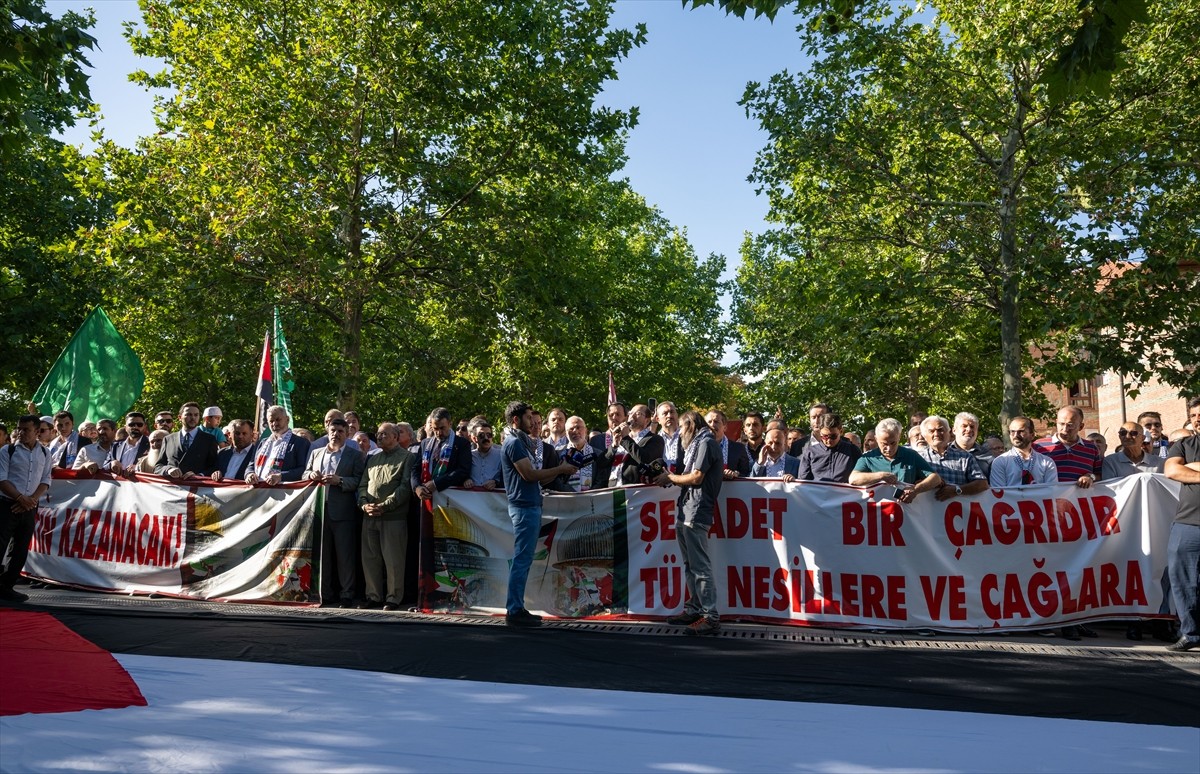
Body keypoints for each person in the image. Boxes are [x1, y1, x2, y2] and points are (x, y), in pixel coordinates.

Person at [499, 401, 575, 627]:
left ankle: (517, 608)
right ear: (516, 420)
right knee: (522, 559)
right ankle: (514, 610)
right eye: (529, 417)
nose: (533, 422)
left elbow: (538, 477)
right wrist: (560, 469)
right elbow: (529, 475)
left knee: (523, 559)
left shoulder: (520, 442)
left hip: (529, 504)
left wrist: (562, 470)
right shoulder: (514, 443)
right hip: (524, 507)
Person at [654, 410, 724, 636]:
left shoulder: (706, 443)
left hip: (697, 510)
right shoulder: (698, 443)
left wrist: (671, 478)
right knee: (690, 564)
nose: (680, 432)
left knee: (700, 565)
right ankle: (694, 608)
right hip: (687, 509)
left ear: (691, 425)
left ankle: (710, 616)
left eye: (683, 428)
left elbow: (696, 477)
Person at [305, 417, 365, 608]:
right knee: (323, 555)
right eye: (333, 431)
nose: (336, 434)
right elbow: (304, 474)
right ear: (327, 431)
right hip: (320, 511)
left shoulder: (355, 456)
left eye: (340, 431)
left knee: (345, 556)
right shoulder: (316, 453)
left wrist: (340, 481)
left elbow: (358, 481)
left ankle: (347, 594)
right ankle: (325, 593)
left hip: (343, 512)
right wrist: (311, 475)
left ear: (347, 434)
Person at [357, 423, 415, 611]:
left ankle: (393, 597)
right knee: (370, 558)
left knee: (393, 560)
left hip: (393, 517)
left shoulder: (407, 457)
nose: (379, 437)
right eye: (378, 434)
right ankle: (373, 596)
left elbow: (405, 487)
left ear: (396, 437)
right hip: (369, 517)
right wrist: (364, 504)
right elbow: (363, 485)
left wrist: (384, 506)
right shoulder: (373, 459)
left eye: (384, 434)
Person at [0, 416, 52, 602]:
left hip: (29, 507)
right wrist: (21, 498)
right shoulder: (9, 450)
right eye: (19, 429)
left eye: (26, 429)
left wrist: (31, 500)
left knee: (20, 550)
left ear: (37, 432)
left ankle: (6, 587)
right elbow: (2, 480)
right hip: (7, 505)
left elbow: (46, 480)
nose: (21, 433)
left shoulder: (45, 453)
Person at [1163, 396, 1200, 652]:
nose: (1199, 419)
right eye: (1195, 415)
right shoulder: (1184, 444)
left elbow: (1184, 471)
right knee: (1183, 580)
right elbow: (1173, 471)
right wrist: (1189, 466)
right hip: (1188, 523)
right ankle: (1191, 634)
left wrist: (1194, 469)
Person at [849, 418, 942, 503]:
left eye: (893, 443)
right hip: (878, 516)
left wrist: (916, 489)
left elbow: (936, 479)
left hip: (906, 515)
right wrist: (880, 476)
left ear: (899, 437)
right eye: (884, 444)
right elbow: (853, 479)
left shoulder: (911, 455)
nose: (889, 448)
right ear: (876, 439)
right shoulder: (868, 458)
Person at [917, 415, 988, 501]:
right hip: (926, 511)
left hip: (958, 512)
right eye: (931, 431)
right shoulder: (917, 457)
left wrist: (957, 490)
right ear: (924, 436)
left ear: (949, 432)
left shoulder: (965, 457)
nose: (936, 434)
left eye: (940, 430)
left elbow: (982, 484)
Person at [412, 407, 471, 505]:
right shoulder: (425, 443)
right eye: (435, 429)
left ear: (450, 424)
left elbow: (463, 470)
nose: (439, 433)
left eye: (442, 428)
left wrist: (436, 483)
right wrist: (417, 487)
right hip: (425, 497)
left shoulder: (461, 444)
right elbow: (415, 468)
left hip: (449, 500)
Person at [1033, 405, 1102, 488]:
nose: (1065, 429)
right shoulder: (1038, 446)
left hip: (1079, 499)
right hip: (1047, 499)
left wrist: (1091, 477)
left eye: (1070, 425)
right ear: (1056, 422)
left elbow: (1100, 475)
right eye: (1061, 424)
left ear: (1081, 426)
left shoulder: (1091, 448)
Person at [244, 405, 310, 484]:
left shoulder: (300, 442)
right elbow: (251, 465)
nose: (275, 423)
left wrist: (281, 476)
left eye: (278, 420)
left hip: (283, 492)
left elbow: (303, 469)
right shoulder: (262, 443)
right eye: (271, 421)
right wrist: (249, 474)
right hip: (258, 491)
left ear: (287, 419)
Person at [603, 403, 664, 487]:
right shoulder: (621, 438)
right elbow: (601, 463)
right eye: (631, 413)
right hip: (614, 488)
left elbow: (645, 459)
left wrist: (625, 438)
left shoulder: (655, 439)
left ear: (647, 420)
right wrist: (614, 446)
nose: (632, 416)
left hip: (636, 492)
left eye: (638, 413)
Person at [156, 402, 220, 479]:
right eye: (189, 414)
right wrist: (168, 470)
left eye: (196, 415)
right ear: (180, 417)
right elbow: (158, 467)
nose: (193, 418)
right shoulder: (168, 439)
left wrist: (199, 476)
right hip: (173, 487)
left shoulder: (209, 440)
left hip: (197, 487)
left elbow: (214, 467)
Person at [989, 417, 1058, 486]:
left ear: (1032, 435)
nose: (1015, 435)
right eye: (1012, 431)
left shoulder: (1047, 462)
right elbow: (998, 493)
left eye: (1021, 431)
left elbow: (1051, 491)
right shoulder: (1000, 462)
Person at [797, 412, 861, 483]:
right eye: (825, 436)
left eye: (833, 436)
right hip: (817, 493)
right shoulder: (810, 452)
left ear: (841, 431)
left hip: (845, 493)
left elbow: (861, 476)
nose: (829, 440)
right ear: (820, 432)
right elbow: (803, 481)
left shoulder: (853, 450)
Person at [705, 409, 751, 479]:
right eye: (709, 422)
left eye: (716, 422)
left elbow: (746, 473)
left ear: (725, 427)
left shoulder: (738, 448)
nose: (712, 425)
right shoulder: (699, 446)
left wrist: (736, 474)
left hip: (731, 489)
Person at [951, 412, 994, 479]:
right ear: (954, 430)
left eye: (972, 427)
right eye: (964, 426)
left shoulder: (987, 455)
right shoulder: (944, 452)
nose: (969, 429)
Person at [561, 416, 598, 492]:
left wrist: (590, 494)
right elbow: (557, 480)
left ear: (586, 431)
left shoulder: (598, 453)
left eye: (578, 427)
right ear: (566, 433)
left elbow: (601, 479)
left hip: (592, 499)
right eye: (571, 429)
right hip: (567, 498)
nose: (575, 431)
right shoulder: (558, 453)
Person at [107, 412, 151, 476]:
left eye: (139, 424)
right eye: (131, 424)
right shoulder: (115, 446)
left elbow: (157, 466)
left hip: (141, 484)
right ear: (125, 427)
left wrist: (137, 467)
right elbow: (104, 464)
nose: (135, 427)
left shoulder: (152, 444)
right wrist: (112, 463)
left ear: (144, 427)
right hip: (119, 484)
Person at [464, 419, 503, 491]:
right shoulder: (469, 456)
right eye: (481, 435)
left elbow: (507, 477)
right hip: (471, 498)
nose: (486, 438)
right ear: (474, 438)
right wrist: (466, 480)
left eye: (489, 435)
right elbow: (462, 473)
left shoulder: (501, 455)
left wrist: (496, 482)